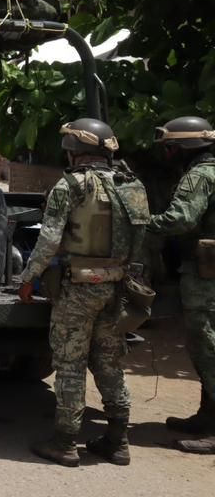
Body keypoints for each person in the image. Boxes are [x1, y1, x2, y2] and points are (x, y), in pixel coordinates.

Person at [17, 119, 149, 467]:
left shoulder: (71, 186)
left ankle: (65, 442)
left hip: (79, 289)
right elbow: (143, 241)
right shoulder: (133, 186)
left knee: (70, 363)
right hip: (118, 287)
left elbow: (48, 241)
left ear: (75, 152)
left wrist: (28, 279)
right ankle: (118, 441)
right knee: (109, 363)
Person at [148, 116, 215, 455]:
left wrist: (143, 223)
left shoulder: (200, 175)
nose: (167, 153)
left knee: (208, 346)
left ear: (182, 148)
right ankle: (207, 415)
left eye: (169, 147)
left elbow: (182, 219)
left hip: (207, 276)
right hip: (208, 271)